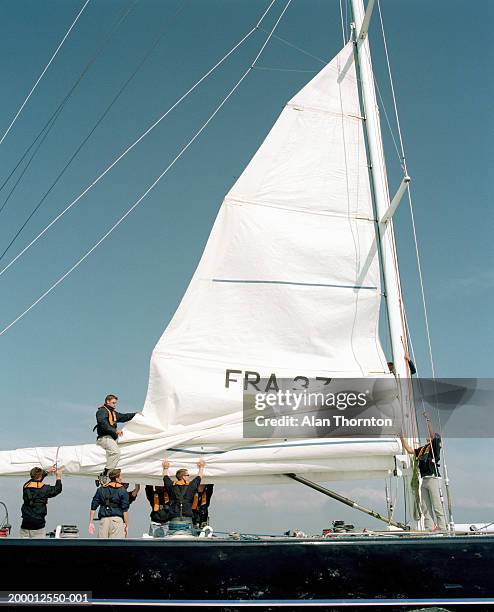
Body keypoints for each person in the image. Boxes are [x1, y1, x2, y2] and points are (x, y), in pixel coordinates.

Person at [400, 418, 447, 531]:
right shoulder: (422, 450)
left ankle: (442, 528)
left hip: (433, 479)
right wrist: (401, 438)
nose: (429, 436)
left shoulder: (434, 447)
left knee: (436, 505)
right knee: (425, 507)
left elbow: (433, 434)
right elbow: (410, 450)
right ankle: (429, 528)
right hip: (424, 480)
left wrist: (428, 420)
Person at [93, 394, 142, 484]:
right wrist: (115, 431)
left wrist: (135, 414)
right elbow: (103, 423)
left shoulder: (113, 413)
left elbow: (123, 417)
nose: (115, 405)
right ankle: (104, 474)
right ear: (108, 401)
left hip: (110, 438)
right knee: (116, 452)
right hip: (104, 437)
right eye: (113, 403)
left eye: (115, 403)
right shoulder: (102, 411)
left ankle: (103, 474)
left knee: (116, 452)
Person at [161, 458, 206, 533]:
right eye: (187, 475)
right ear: (183, 477)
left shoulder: (171, 486)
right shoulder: (191, 487)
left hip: (174, 519)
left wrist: (165, 467)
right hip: (187, 520)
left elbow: (165, 477)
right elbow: (199, 477)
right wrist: (201, 467)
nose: (189, 477)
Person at [20, 465, 62, 538]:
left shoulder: (25, 486)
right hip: (38, 525)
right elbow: (57, 489)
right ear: (40, 476)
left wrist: (46, 472)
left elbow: (35, 480)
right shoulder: (45, 489)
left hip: (25, 525)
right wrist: (58, 477)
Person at [89, 468, 129, 538]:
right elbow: (125, 510)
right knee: (115, 547)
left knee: (102, 546)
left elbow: (93, 507)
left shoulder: (100, 490)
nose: (122, 478)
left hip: (104, 521)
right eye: (120, 476)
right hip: (117, 521)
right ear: (116, 478)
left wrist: (91, 522)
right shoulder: (123, 491)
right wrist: (126, 525)